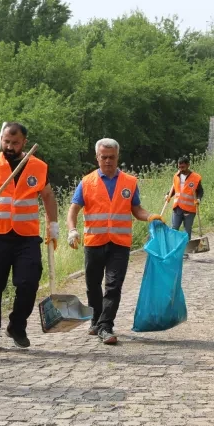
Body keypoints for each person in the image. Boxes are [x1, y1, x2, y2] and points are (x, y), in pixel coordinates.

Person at [66, 138, 162, 345]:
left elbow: (136, 209)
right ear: (97, 157)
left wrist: (150, 216)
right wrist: (72, 230)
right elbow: (73, 209)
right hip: (94, 241)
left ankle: (106, 326)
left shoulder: (129, 182)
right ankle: (96, 319)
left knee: (113, 285)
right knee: (93, 284)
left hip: (119, 243)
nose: (108, 161)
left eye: (112, 157)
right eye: (104, 157)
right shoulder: (87, 182)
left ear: (118, 157)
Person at [0, 122, 58, 352]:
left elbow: (48, 196)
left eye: (15, 143)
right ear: (1, 139)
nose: (9, 147)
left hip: (27, 237)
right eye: (6, 142)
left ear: (24, 143)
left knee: (29, 283)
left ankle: (17, 326)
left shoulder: (38, 166)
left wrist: (54, 226)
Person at [163, 155, 204, 234]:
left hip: (189, 209)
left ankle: (187, 246)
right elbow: (174, 189)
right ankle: (174, 245)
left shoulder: (196, 177)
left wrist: (198, 199)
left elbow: (200, 191)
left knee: (187, 230)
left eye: (183, 167)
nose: (181, 169)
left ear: (188, 165)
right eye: (179, 167)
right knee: (174, 228)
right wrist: (168, 195)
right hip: (177, 207)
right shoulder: (176, 176)